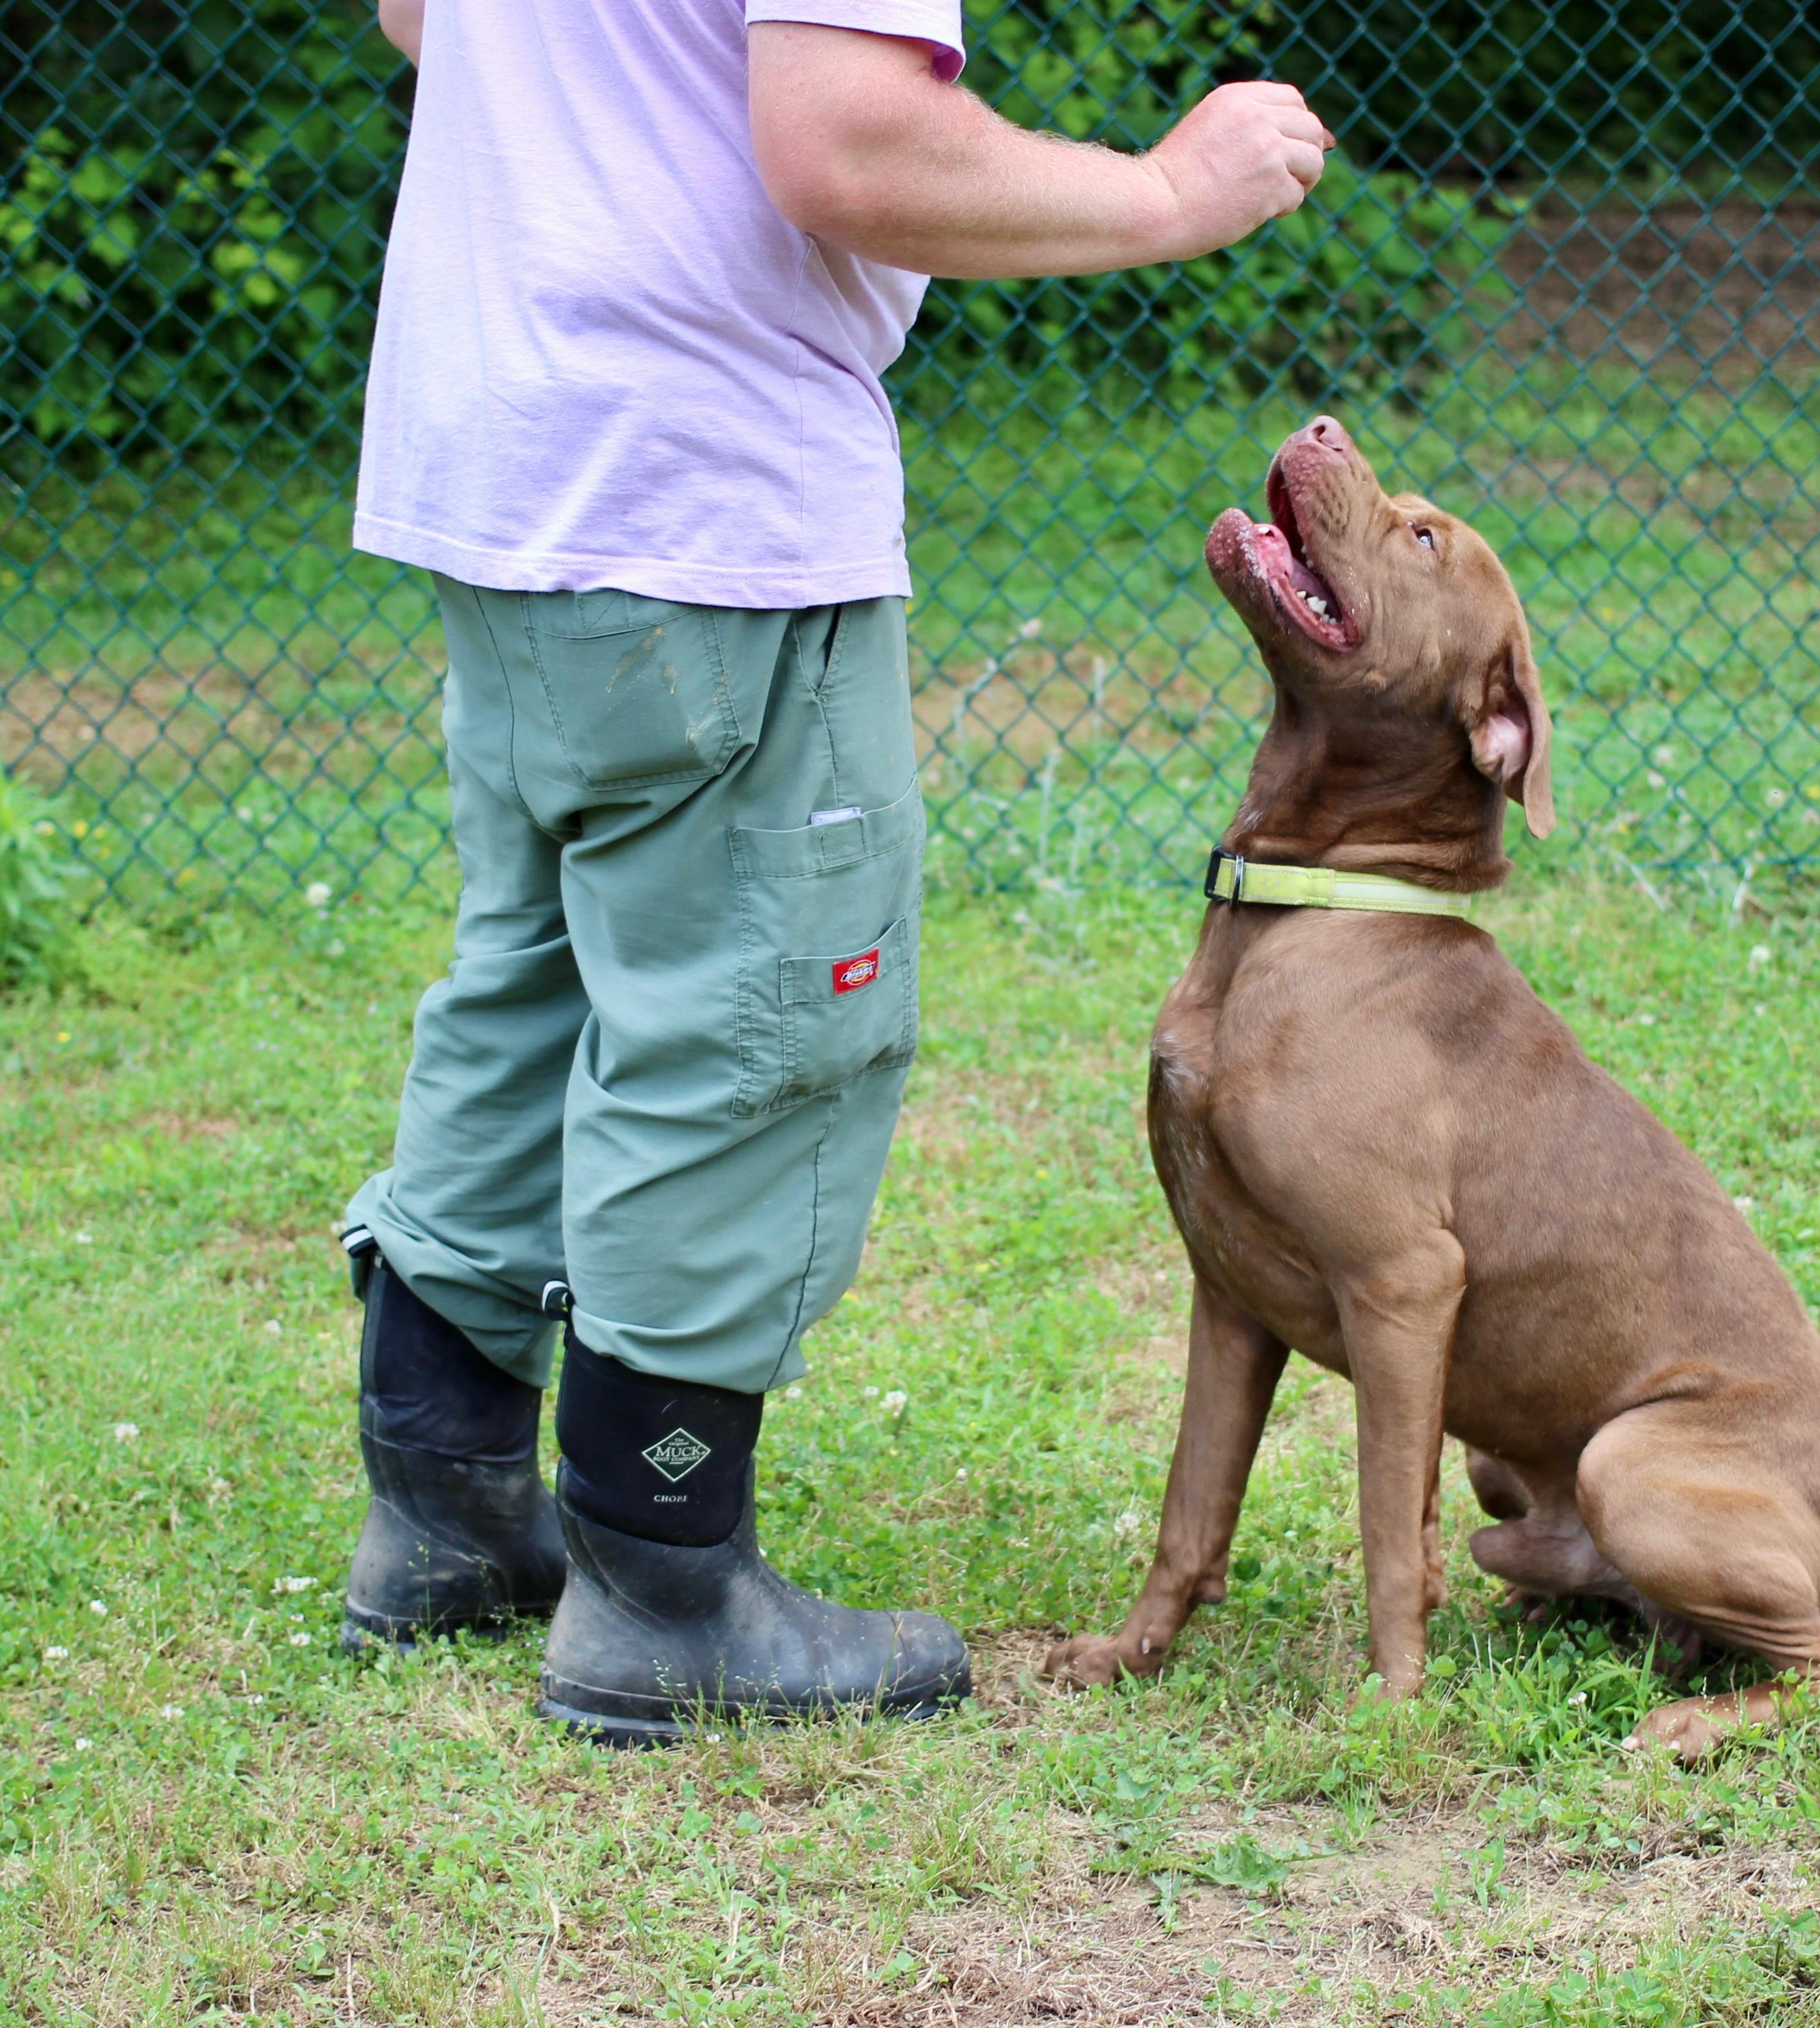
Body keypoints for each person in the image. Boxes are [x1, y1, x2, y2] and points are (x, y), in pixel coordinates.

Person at [336, 0, 1331, 1744]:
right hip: (691, 478)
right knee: (760, 1014)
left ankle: (446, 1504)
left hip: (497, 443)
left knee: (538, 969)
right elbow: (846, 147)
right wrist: (1174, 190)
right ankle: (661, 1574)